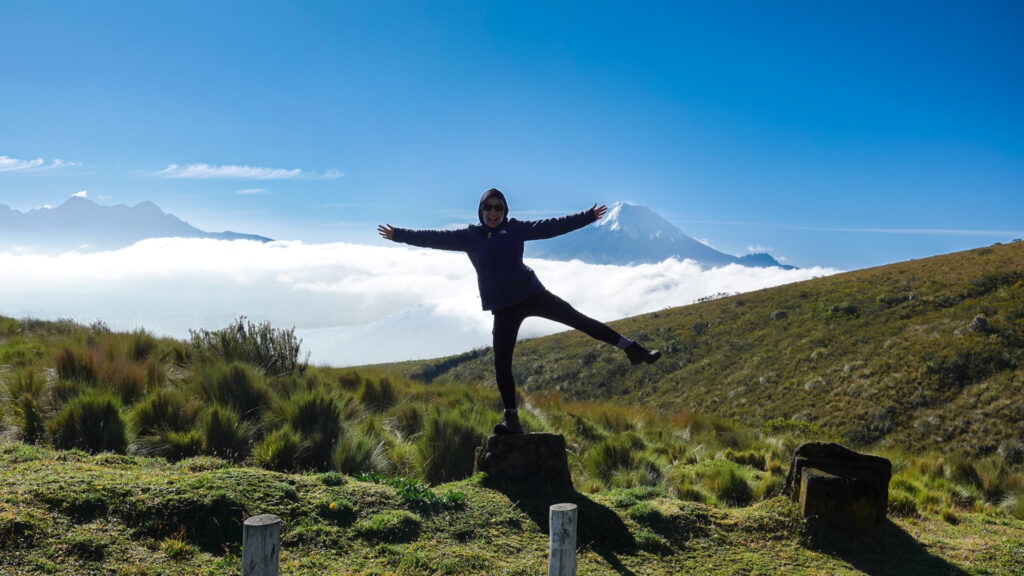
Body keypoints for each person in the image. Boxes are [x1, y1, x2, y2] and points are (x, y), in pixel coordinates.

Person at [378, 188, 661, 435]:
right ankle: (512, 419)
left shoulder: (515, 229)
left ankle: (633, 349)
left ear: (505, 210)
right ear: (480, 210)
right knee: (501, 363)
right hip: (503, 308)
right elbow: (433, 238)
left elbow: (551, 226)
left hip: (532, 294)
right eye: (488, 208)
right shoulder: (470, 236)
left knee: (579, 321)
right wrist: (399, 235)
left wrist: (587, 217)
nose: (493, 213)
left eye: (498, 208)